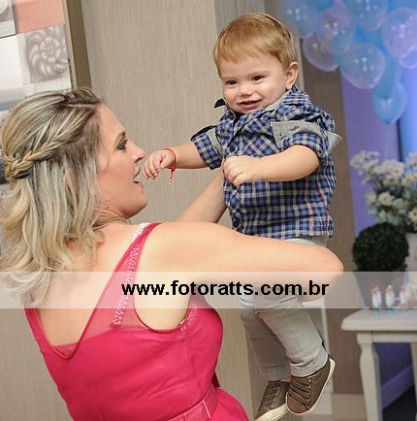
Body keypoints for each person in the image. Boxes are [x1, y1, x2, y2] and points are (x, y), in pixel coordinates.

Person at [0, 88, 343, 421]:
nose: (138, 152)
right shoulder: (167, 251)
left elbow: (162, 257)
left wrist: (234, 165)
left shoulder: (37, 281)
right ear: (75, 177)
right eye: (121, 145)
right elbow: (324, 270)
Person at [144, 12, 340, 421]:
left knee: (267, 294)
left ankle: (312, 363)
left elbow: (305, 156)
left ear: (289, 75)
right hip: (258, 237)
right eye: (231, 82)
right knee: (250, 308)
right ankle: (279, 378)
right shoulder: (233, 124)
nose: (244, 91)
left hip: (296, 230)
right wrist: (172, 155)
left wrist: (260, 166)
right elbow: (205, 147)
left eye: (257, 78)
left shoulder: (296, 113)